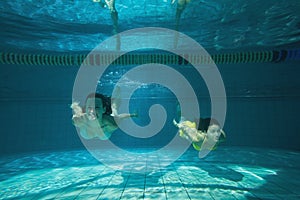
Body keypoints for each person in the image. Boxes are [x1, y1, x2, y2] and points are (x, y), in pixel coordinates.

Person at [71, 92, 137, 140]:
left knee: (114, 111)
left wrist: (132, 115)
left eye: (96, 107)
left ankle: (113, 106)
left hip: (105, 129)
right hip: (88, 128)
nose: (92, 111)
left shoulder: (112, 124)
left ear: (103, 109)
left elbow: (121, 117)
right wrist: (76, 115)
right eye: (89, 107)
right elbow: (76, 115)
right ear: (85, 109)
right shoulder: (80, 120)